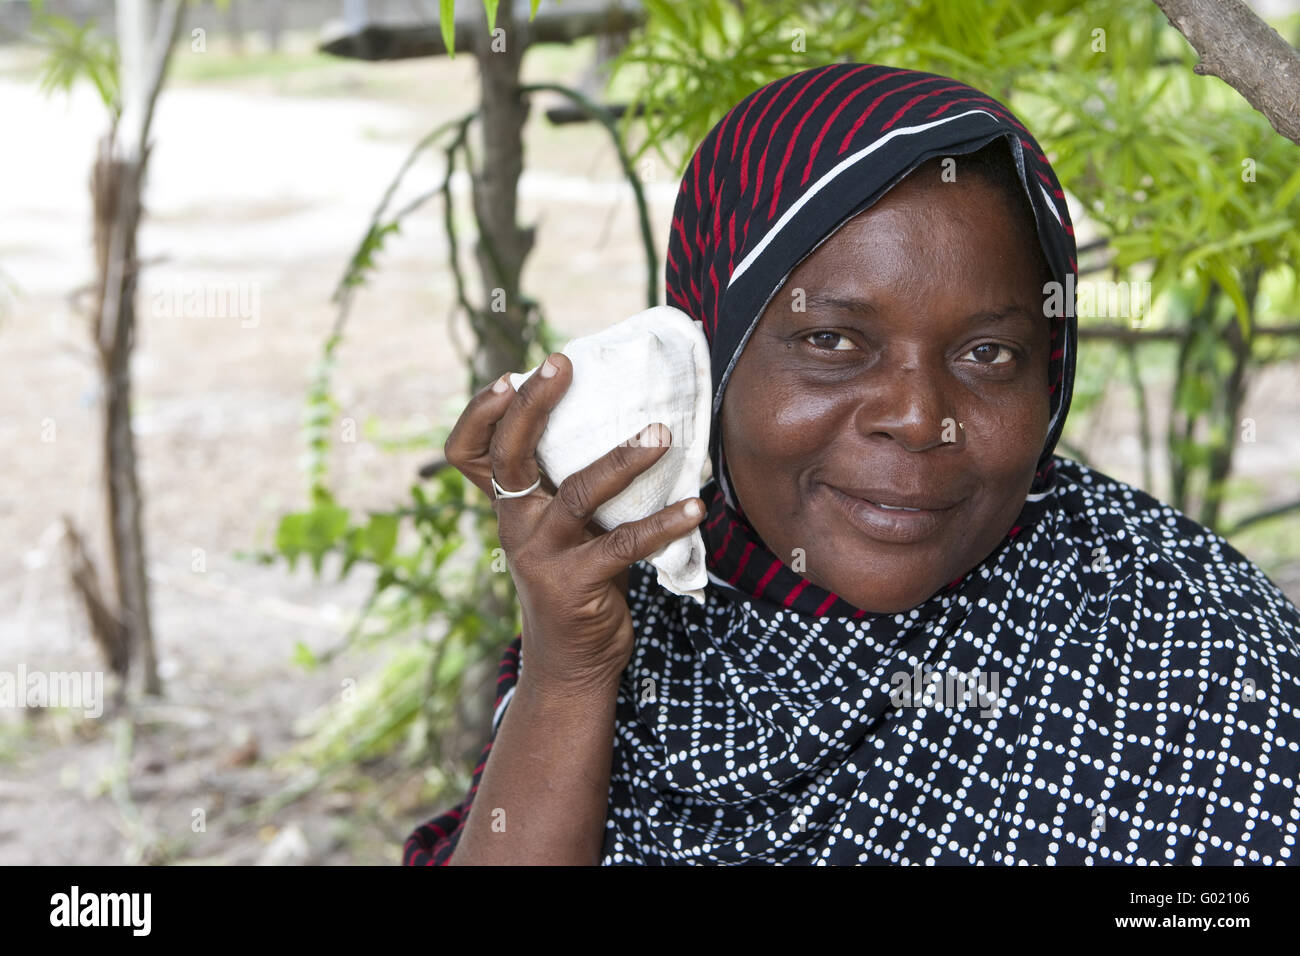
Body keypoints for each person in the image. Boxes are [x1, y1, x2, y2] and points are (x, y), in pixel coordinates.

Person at [404, 62, 1300, 865]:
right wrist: (570, 666)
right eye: (833, 340)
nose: (918, 421)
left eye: (989, 354)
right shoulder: (632, 585)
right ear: (708, 346)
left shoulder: (1192, 649)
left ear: (1052, 373)